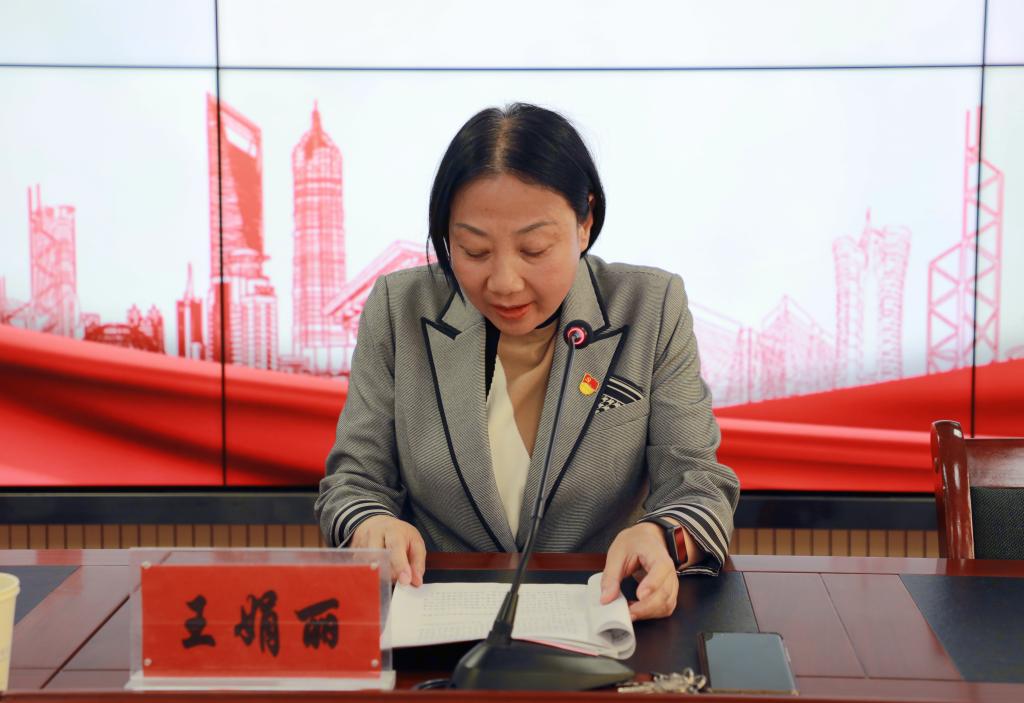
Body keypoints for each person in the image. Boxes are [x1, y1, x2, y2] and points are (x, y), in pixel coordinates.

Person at [315, 103, 739, 621]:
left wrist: (664, 538)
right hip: (436, 619)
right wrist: (370, 524)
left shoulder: (650, 307)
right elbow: (354, 482)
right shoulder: (398, 310)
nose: (504, 282)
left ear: (585, 222)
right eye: (473, 251)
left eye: (534, 249)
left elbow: (698, 481)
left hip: (606, 613)